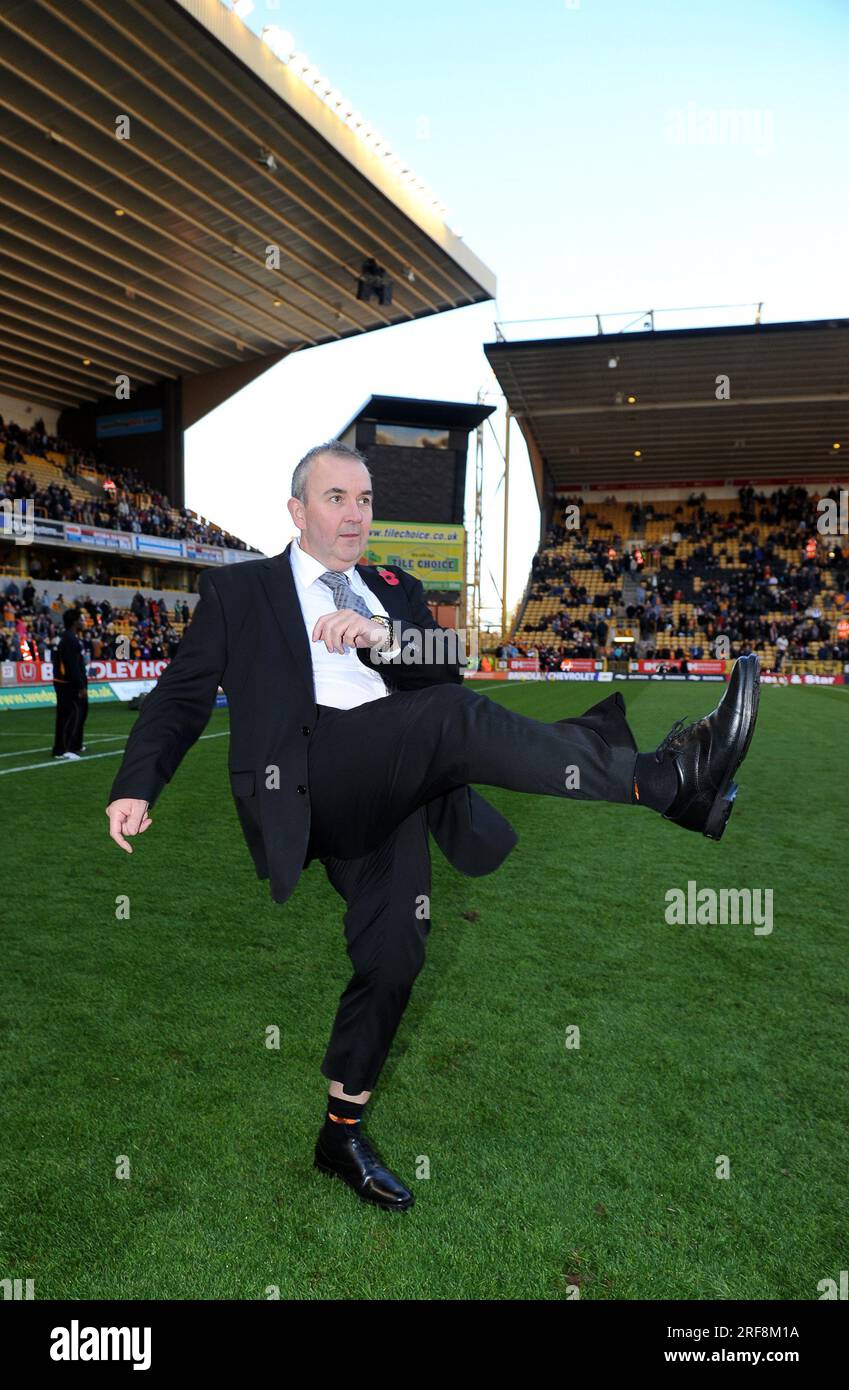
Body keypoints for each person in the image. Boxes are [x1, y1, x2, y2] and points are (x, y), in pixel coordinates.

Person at [104, 441, 761, 1213]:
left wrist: (381, 636)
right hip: (310, 775)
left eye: (365, 499)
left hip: (394, 780)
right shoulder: (240, 590)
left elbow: (444, 665)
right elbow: (182, 695)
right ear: (296, 510)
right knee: (449, 719)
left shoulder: (392, 587)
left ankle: (340, 1135)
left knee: (393, 953)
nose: (355, 514)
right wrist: (136, 786)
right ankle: (664, 780)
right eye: (336, 498)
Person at [52, 608, 89, 760]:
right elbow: (71, 666)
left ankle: (74, 745)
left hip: (68, 682)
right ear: (74, 622)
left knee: (78, 714)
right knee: (68, 716)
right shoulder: (70, 640)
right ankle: (62, 749)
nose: (84, 622)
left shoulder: (70, 638)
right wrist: (80, 686)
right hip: (67, 684)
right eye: (81, 620)